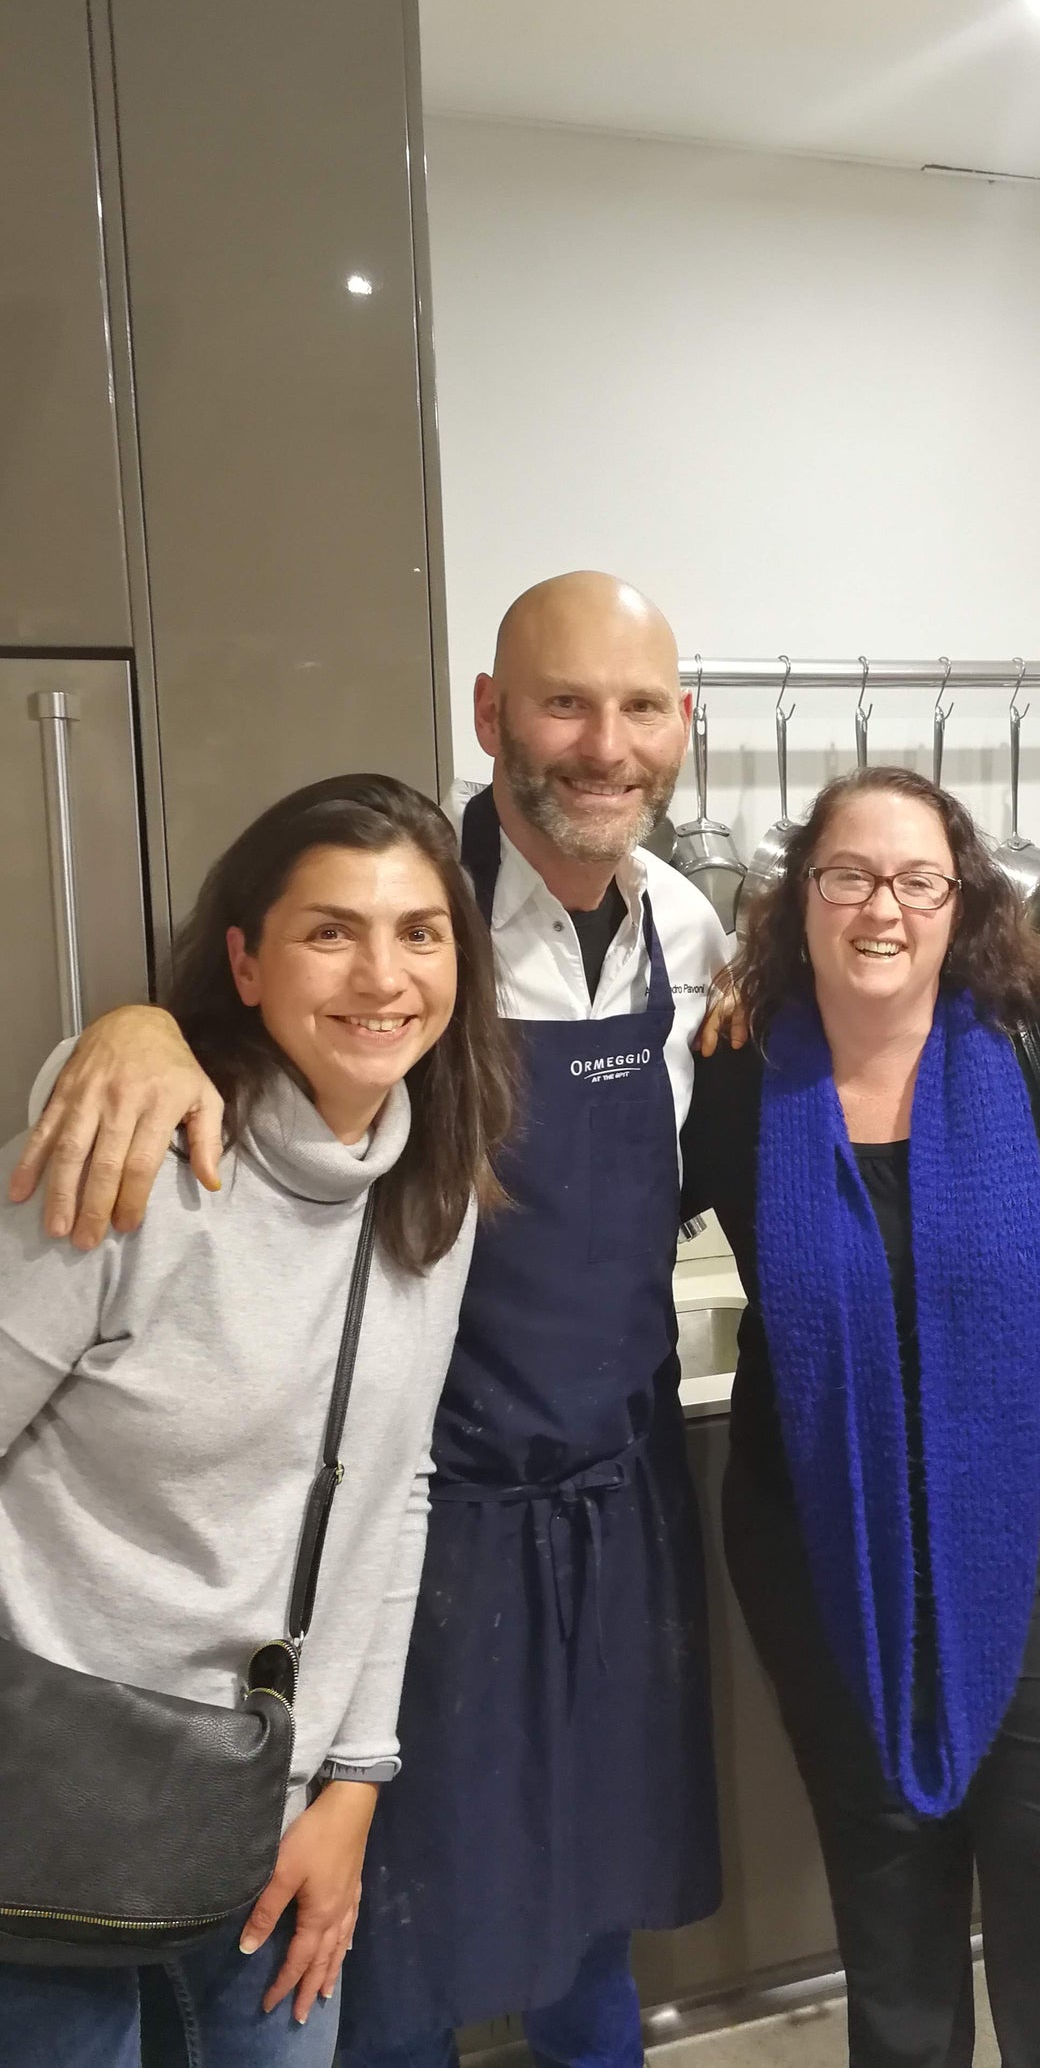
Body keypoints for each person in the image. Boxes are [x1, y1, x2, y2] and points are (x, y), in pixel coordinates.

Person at [8, 573, 732, 2068]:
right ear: (491, 715)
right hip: (423, 1527)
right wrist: (122, 1029)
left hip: (608, 1498)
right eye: (563, 702)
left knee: (590, 1897)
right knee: (376, 1935)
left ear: (683, 726)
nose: (605, 744)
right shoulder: (413, 907)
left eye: (642, 706)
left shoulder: (689, 922)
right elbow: (230, 1046)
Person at [0, 773, 516, 2067]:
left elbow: (397, 1489)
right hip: (56, 1795)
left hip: (277, 1815)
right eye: (328, 929)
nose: (381, 974)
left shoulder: (427, 1186)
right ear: (243, 958)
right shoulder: (136, 1154)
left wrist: (351, 1786)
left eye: (419, 930)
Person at [680, 765, 1040, 2068]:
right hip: (824, 1555)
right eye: (847, 874)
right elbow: (592, 1218)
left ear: (964, 901)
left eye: (918, 878)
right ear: (799, 899)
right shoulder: (738, 1078)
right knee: (890, 1912)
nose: (882, 907)